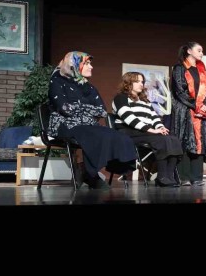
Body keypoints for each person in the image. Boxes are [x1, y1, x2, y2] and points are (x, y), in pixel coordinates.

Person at [47, 51, 136, 189]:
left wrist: (79, 108)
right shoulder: (57, 81)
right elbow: (65, 109)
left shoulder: (87, 85)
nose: (91, 66)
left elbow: (101, 110)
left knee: (120, 137)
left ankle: (86, 170)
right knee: (94, 134)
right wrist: (87, 109)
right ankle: (91, 174)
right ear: (74, 64)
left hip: (87, 124)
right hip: (64, 124)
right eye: (87, 63)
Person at [112, 72, 183, 187]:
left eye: (142, 82)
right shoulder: (121, 98)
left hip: (144, 132)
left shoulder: (145, 101)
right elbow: (128, 118)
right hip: (128, 133)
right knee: (162, 140)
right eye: (137, 81)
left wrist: (160, 127)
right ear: (128, 83)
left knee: (173, 140)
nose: (141, 84)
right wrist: (151, 130)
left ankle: (170, 176)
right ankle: (162, 177)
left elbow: (154, 117)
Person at [169, 41, 206, 186]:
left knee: (199, 142)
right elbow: (179, 91)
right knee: (186, 140)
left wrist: (205, 105)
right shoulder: (179, 68)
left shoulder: (203, 71)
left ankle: (197, 177)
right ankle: (184, 177)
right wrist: (195, 105)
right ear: (189, 51)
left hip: (200, 113)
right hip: (185, 110)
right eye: (199, 50)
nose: (202, 53)